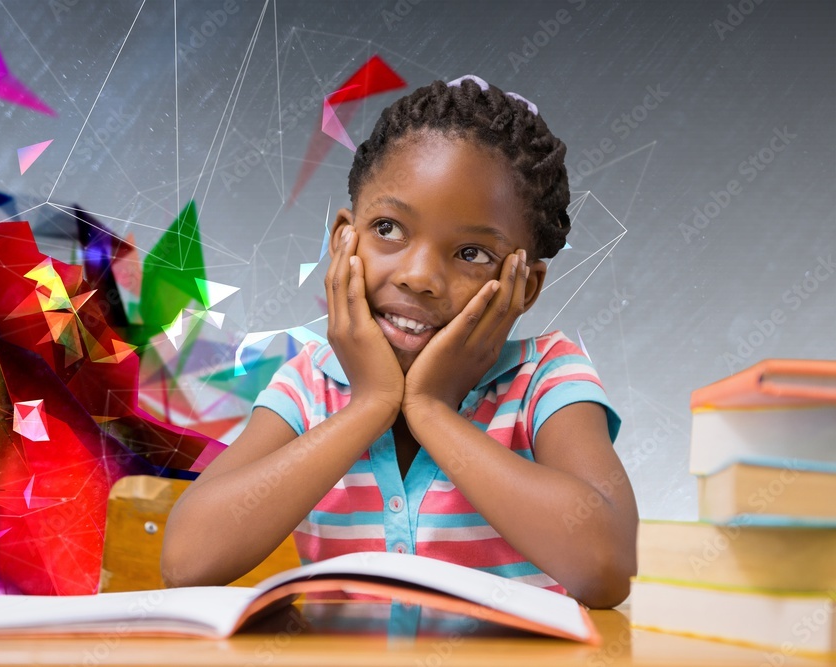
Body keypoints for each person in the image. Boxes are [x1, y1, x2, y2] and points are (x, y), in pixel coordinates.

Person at [162, 75, 638, 608]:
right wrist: (370, 404)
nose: (418, 276)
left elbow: (605, 567)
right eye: (388, 228)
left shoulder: (546, 379)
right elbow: (186, 559)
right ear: (345, 238)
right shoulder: (308, 384)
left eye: (472, 253)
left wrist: (433, 410)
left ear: (523, 285)